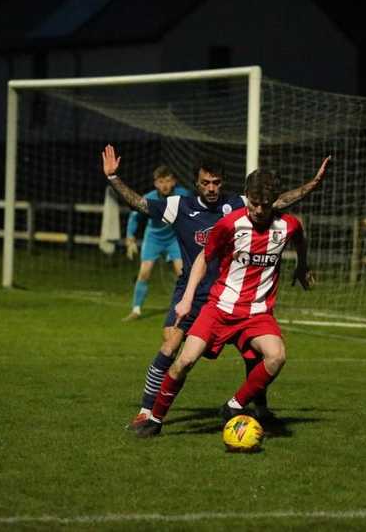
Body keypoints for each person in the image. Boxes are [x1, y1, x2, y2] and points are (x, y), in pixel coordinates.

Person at [101, 145, 329, 429]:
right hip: (194, 294)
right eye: (205, 182)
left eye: (217, 183)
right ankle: (147, 412)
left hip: (234, 295)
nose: (211, 188)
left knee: (255, 355)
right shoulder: (179, 205)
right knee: (172, 347)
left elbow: (277, 201)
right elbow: (141, 204)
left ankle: (260, 408)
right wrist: (113, 178)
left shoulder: (238, 204)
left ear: (223, 182)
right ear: (195, 182)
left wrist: (312, 185)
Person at [135, 169, 312, 438]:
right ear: (247, 197)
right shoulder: (230, 223)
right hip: (218, 308)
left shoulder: (289, 224)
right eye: (254, 202)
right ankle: (155, 419)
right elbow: (203, 259)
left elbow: (300, 240)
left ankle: (234, 406)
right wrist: (186, 299)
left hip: (256, 313)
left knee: (277, 356)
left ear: (274, 201)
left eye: (265, 204)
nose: (259, 209)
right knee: (184, 360)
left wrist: (302, 267)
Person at [122, 165, 192, 322]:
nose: (165, 185)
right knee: (145, 271)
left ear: (174, 182)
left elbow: (194, 211)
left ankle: (185, 309)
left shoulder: (183, 195)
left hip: (174, 238)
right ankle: (136, 310)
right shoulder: (150, 197)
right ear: (155, 183)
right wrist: (130, 237)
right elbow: (134, 216)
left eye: (168, 181)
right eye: (161, 181)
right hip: (153, 238)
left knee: (182, 273)